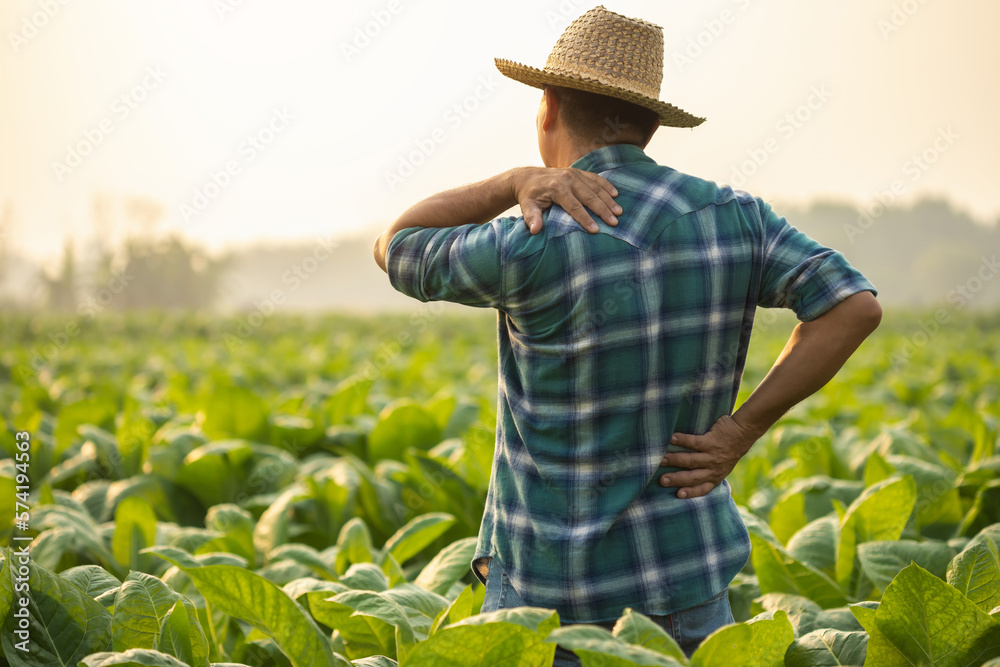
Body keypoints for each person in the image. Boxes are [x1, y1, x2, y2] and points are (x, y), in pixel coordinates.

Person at [373, 5, 881, 663]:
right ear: (650, 125)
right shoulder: (736, 216)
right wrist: (742, 428)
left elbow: (398, 246)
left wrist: (511, 182)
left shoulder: (531, 235)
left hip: (551, 601)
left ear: (549, 108)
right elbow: (853, 307)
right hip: (689, 581)